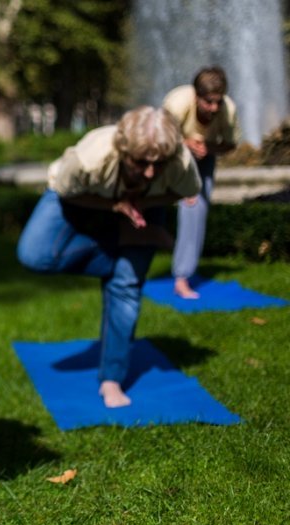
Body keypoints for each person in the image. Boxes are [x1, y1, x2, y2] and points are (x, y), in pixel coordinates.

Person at [17, 106, 201, 409]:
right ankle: (125, 243)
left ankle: (112, 379)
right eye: (141, 163)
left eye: (159, 164)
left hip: (143, 207)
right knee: (33, 255)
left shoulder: (178, 159)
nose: (151, 173)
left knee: (126, 285)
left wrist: (139, 199)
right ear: (123, 149)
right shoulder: (90, 158)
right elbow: (66, 191)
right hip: (77, 197)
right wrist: (116, 205)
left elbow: (185, 192)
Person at [163, 66, 240, 299]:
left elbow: (230, 144)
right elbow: (158, 139)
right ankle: (177, 276)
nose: (213, 108)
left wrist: (209, 148)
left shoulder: (228, 110)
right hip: (171, 153)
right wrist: (186, 143)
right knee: (183, 204)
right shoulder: (176, 104)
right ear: (196, 96)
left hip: (205, 156)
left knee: (198, 208)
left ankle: (183, 275)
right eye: (208, 102)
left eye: (218, 101)